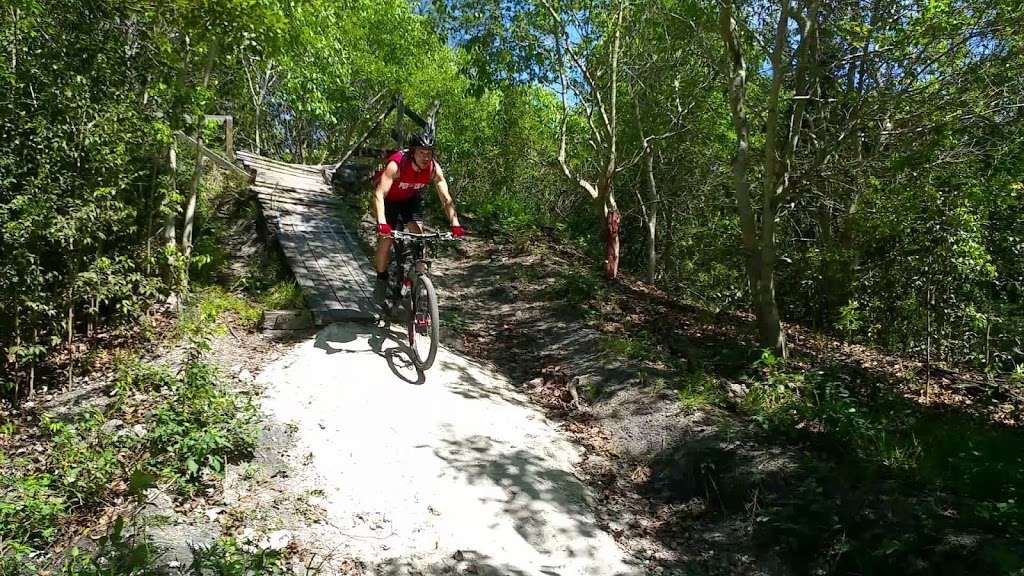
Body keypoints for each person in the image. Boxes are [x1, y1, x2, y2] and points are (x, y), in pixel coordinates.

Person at [372, 130, 464, 306]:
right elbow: (379, 193)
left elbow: (446, 198)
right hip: (389, 200)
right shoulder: (397, 164)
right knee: (386, 240)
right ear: (412, 152)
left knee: (419, 234)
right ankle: (381, 279)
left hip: (410, 199)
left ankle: (419, 277)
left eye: (429, 153)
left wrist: (455, 223)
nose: (426, 157)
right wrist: (382, 222)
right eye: (421, 152)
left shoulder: (433, 169)